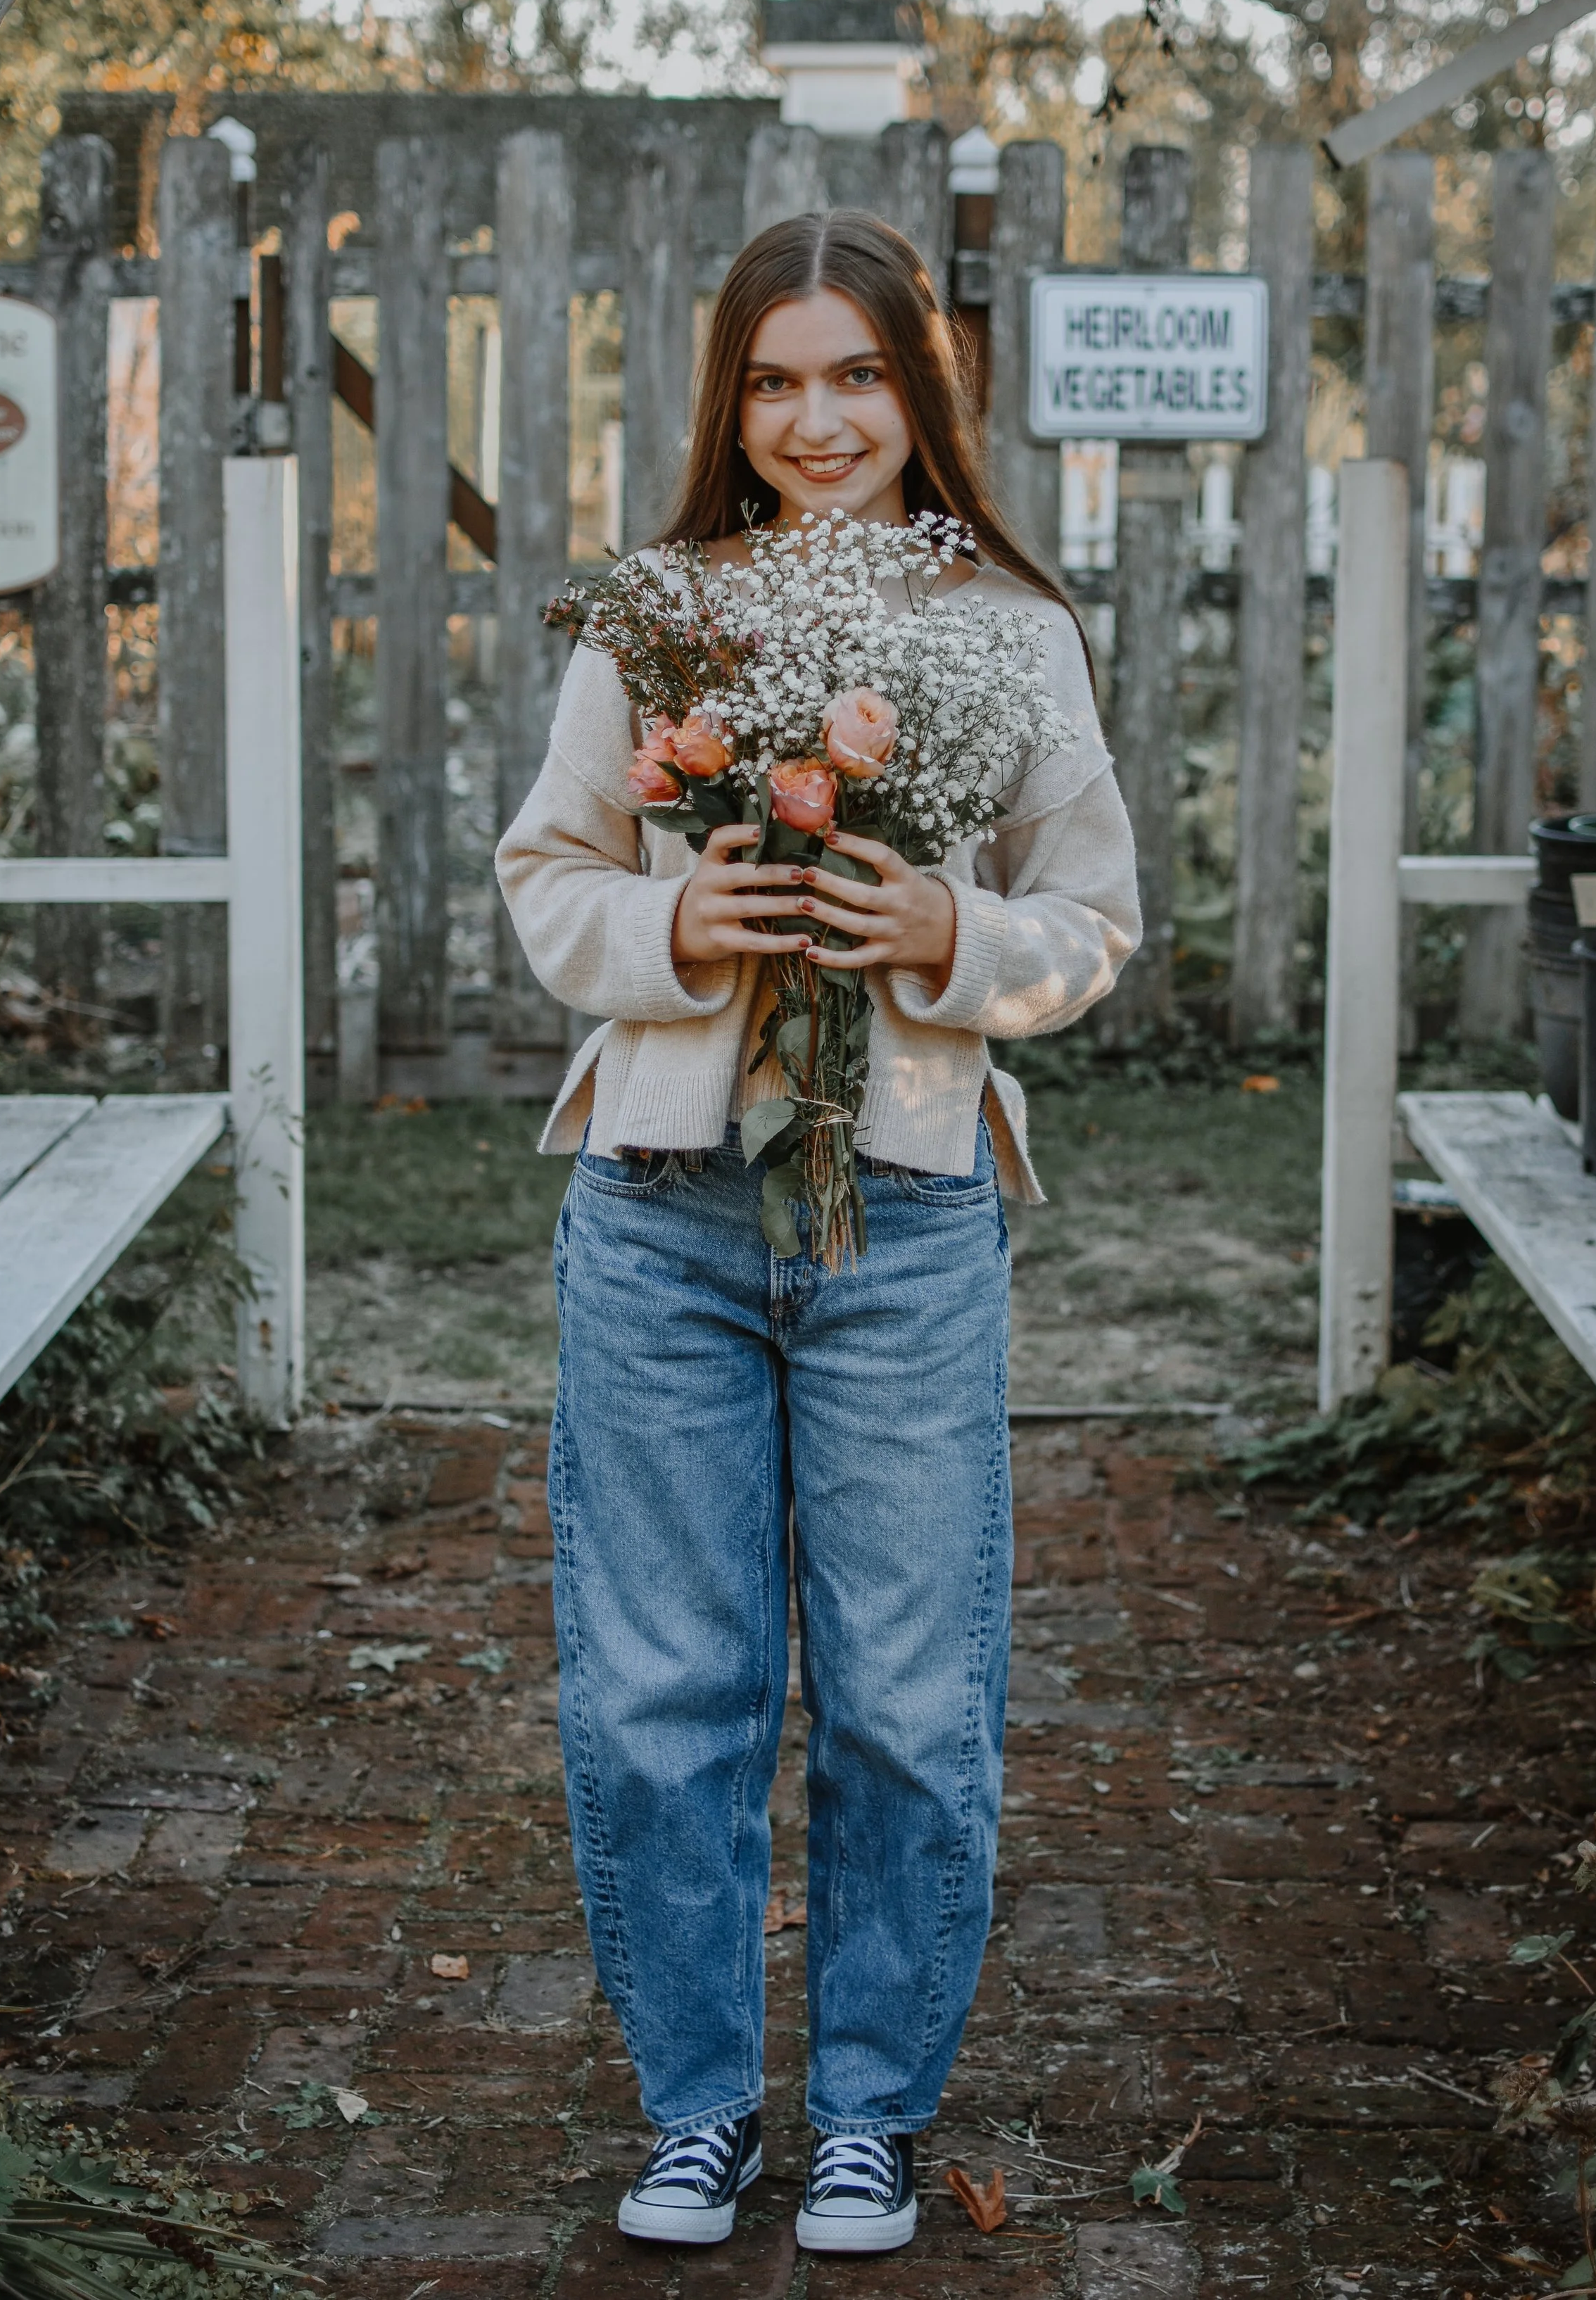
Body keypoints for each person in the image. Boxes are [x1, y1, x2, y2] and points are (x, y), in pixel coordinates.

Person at [495, 209, 1140, 2256]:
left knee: (902, 1692)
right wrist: (670, 919)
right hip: (665, 1205)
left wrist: (951, 932)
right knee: (662, 1688)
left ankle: (865, 2108)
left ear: (915, 390)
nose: (816, 418)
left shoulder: (1006, 624)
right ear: (730, 403)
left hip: (912, 1215)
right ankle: (699, 2109)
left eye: (854, 374)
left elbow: (1092, 924)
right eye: (774, 381)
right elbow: (548, 873)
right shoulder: (658, 608)